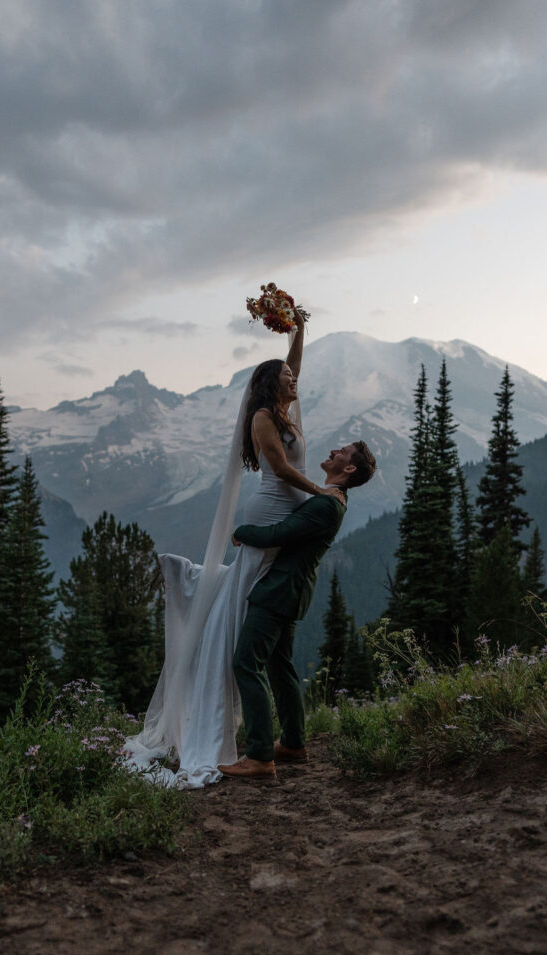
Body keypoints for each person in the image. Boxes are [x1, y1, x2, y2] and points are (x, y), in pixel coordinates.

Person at [124, 308, 343, 789]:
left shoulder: (285, 408)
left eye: (292, 373)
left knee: (272, 643)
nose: (294, 378)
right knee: (249, 614)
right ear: (270, 385)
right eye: (285, 376)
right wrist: (320, 492)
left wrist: (299, 331)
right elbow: (281, 471)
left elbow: (294, 367)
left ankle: (286, 743)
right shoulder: (264, 417)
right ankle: (259, 743)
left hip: (283, 519)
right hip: (268, 515)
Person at [219, 440, 377, 780]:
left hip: (279, 591)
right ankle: (293, 743)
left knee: (246, 662)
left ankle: (259, 756)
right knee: (279, 666)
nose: (335, 450)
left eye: (343, 452)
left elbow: (279, 534)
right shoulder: (332, 500)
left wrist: (240, 532)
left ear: (348, 469)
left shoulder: (326, 506)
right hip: (292, 592)